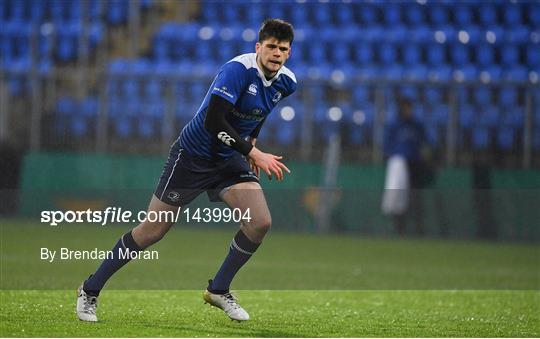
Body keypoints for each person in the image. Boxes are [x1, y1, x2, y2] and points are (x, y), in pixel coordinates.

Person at [76, 18, 297, 322]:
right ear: (258, 47)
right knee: (152, 231)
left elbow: (259, 112)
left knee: (259, 222)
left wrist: (251, 143)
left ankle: (218, 289)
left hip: (230, 157)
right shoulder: (237, 71)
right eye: (270, 46)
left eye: (282, 49)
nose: (276, 52)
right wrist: (254, 152)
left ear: (288, 53)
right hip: (192, 155)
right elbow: (213, 122)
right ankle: (90, 289)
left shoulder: (287, 82)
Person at [381, 96, 433, 236]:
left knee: (415, 199)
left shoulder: (416, 126)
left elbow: (425, 144)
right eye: (405, 108)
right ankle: (400, 229)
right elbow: (386, 146)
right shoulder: (394, 125)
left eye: (409, 107)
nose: (407, 111)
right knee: (397, 196)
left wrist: (427, 159)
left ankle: (418, 229)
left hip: (415, 166)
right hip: (399, 165)